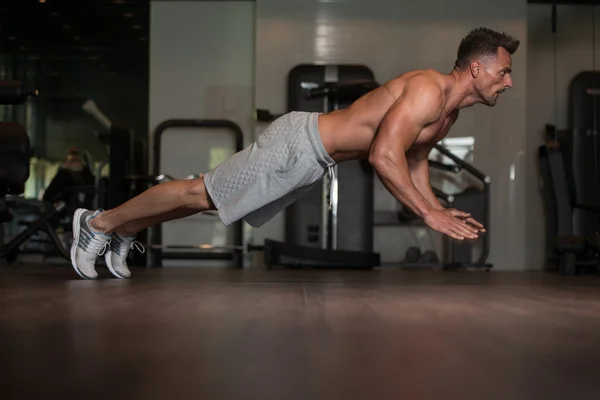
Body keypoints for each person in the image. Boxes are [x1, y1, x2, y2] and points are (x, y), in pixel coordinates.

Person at [70, 27, 519, 280]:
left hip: (311, 161)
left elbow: (415, 160)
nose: (508, 81)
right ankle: (97, 223)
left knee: (209, 203)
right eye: (503, 71)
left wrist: (439, 208)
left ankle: (125, 230)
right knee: (200, 194)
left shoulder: (448, 116)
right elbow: (384, 155)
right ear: (476, 68)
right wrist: (428, 215)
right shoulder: (427, 91)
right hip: (299, 143)